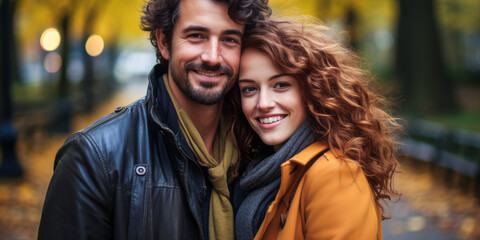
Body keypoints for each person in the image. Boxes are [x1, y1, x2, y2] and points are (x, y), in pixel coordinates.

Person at [38, 0, 271, 239]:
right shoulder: (93, 158)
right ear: (164, 42)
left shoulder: (262, 150)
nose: (212, 56)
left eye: (229, 40)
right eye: (196, 35)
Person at [231, 19, 400, 240]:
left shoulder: (334, 175)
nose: (263, 103)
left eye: (281, 85)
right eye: (249, 89)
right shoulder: (254, 169)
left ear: (312, 90)